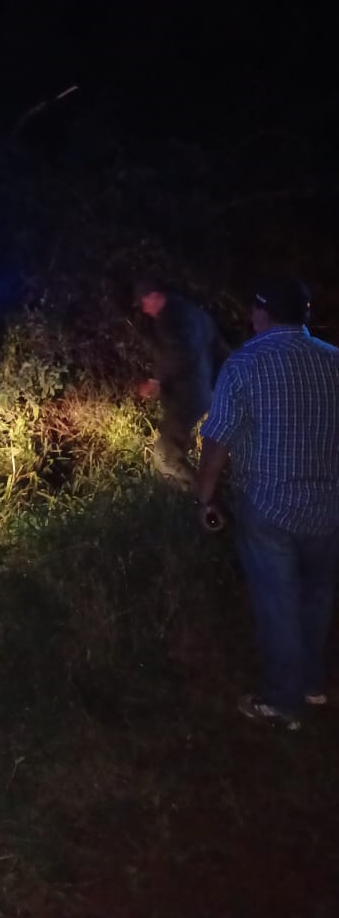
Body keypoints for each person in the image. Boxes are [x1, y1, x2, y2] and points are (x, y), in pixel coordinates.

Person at [195, 278, 339, 731]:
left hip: (269, 505)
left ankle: (281, 701)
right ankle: (312, 684)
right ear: (305, 314)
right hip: (329, 506)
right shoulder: (334, 361)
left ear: (261, 313)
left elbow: (218, 439)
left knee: (278, 603)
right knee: (316, 597)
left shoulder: (244, 363)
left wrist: (205, 498)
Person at [134, 275, 227, 487]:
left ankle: (199, 498)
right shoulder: (198, 315)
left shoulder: (170, 318)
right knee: (175, 448)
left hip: (187, 395)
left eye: (144, 302)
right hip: (202, 392)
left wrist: (156, 381)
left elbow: (178, 354)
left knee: (165, 457)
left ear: (154, 296)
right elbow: (219, 351)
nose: (144, 309)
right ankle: (208, 491)